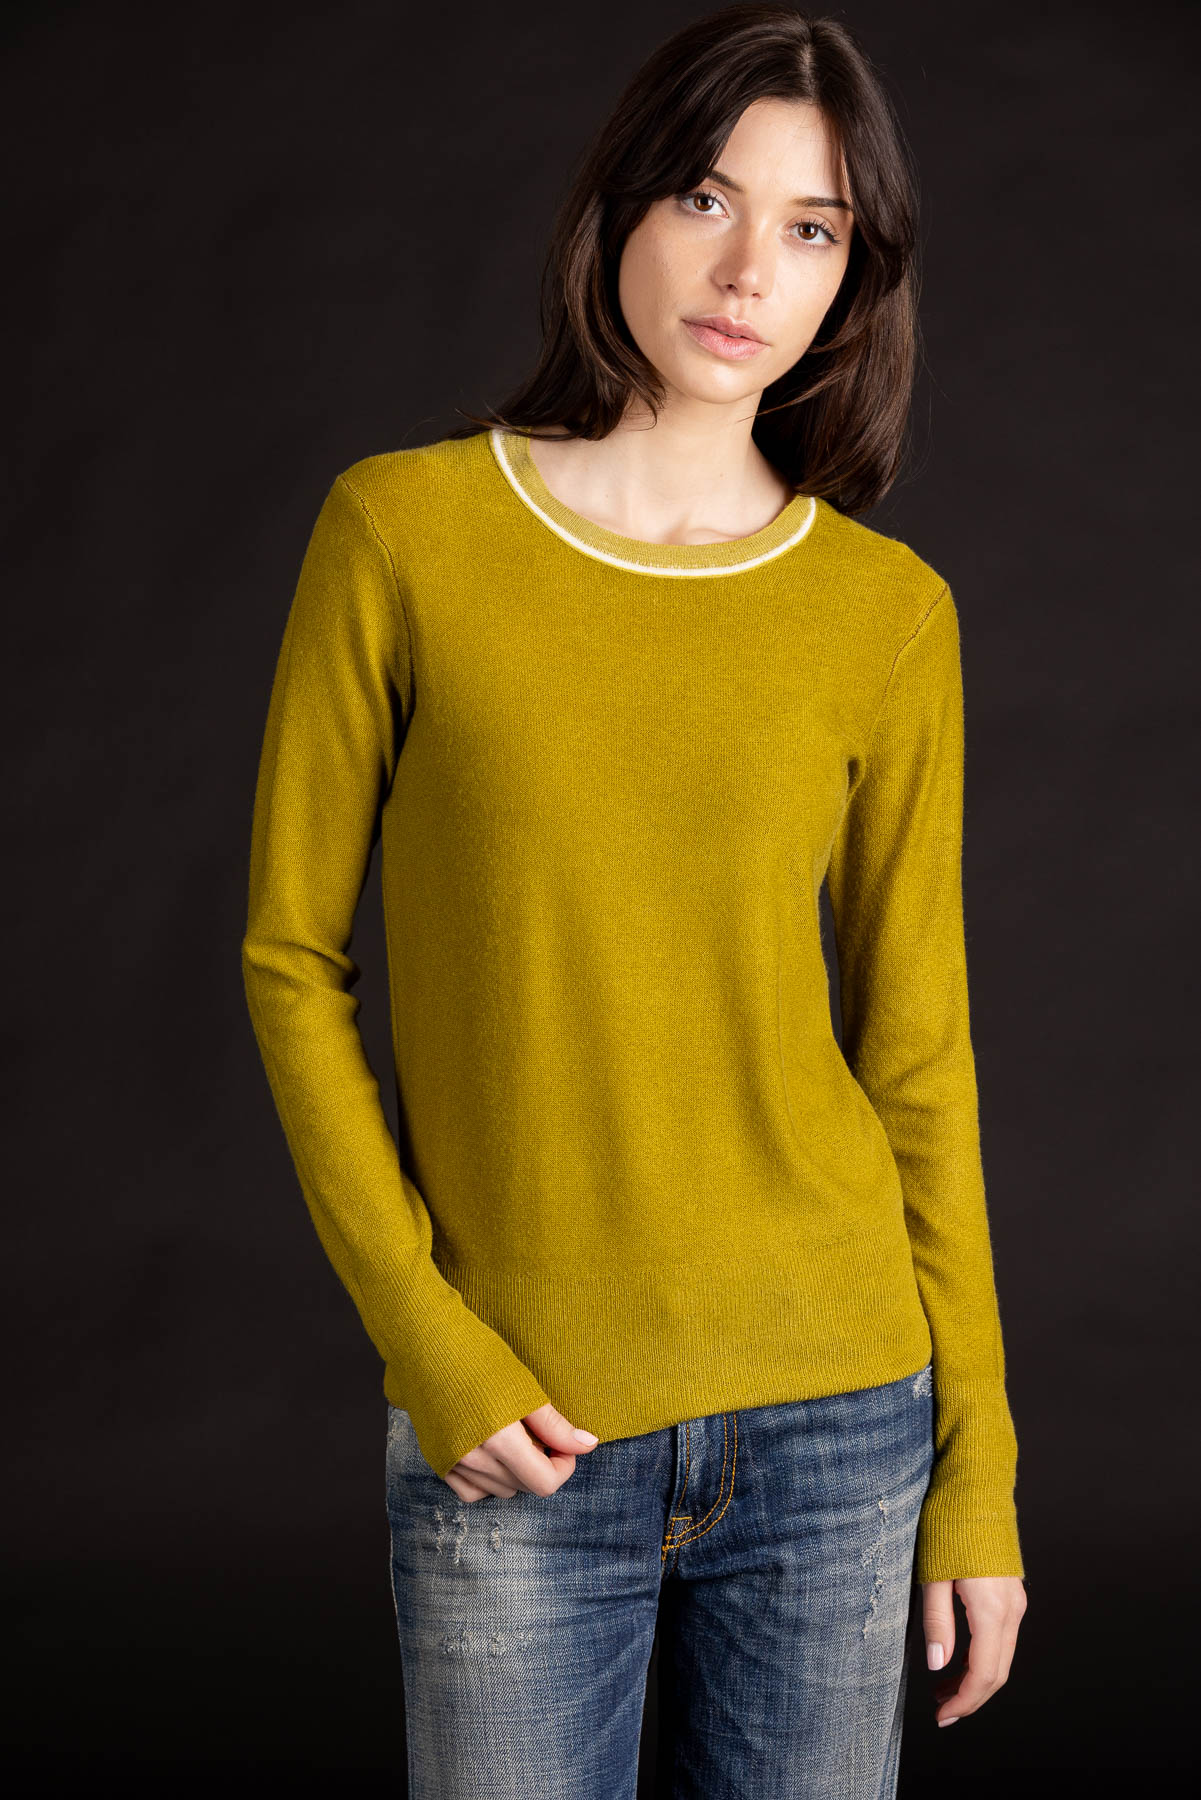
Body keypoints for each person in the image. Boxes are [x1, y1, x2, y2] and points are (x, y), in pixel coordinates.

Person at [241, 5, 1028, 1794]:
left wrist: (975, 1472)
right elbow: (289, 959)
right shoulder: (403, 535)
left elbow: (918, 1058)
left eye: (811, 228)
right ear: (616, 206)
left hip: (840, 1416)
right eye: (706, 197)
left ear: (851, 279)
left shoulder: (883, 616)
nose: (749, 270)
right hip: (522, 1417)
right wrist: (428, 1342)